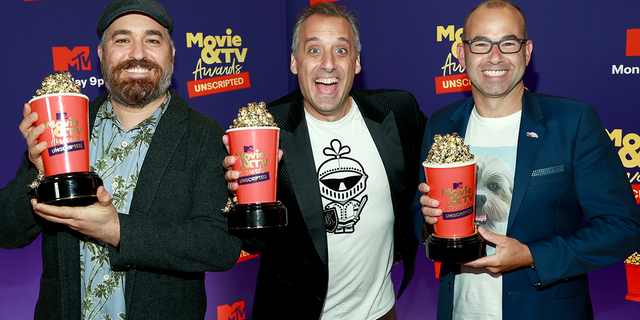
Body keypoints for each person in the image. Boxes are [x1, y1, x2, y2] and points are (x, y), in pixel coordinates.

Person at [0, 0, 242, 319]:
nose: (138, 53)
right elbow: (7, 230)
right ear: (101, 54)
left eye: (152, 40)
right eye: (122, 39)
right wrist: (40, 171)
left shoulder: (204, 135)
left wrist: (118, 230)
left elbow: (220, 246)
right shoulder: (67, 126)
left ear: (171, 53)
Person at [411, 1, 640, 319]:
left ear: (527, 51)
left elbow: (623, 227)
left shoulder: (572, 121)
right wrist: (428, 219)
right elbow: (418, 215)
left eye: (508, 43)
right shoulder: (441, 123)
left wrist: (532, 255)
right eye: (481, 44)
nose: (494, 57)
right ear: (462, 55)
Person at [223, 3, 426, 319]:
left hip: (380, 311)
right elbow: (252, 241)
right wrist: (242, 200)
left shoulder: (398, 112)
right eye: (314, 50)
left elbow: (435, 168)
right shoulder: (265, 130)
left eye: (341, 51)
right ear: (295, 61)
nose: (328, 64)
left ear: (357, 62)